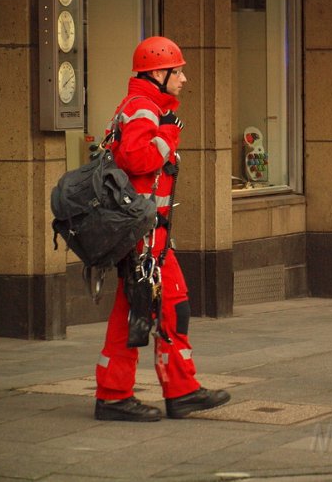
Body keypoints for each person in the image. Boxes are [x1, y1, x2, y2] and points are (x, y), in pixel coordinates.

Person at [94, 36, 231, 421]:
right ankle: (123, 395)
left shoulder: (146, 107)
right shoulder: (144, 110)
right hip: (142, 237)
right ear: (158, 72)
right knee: (155, 307)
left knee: (155, 309)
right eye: (179, 70)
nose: (184, 78)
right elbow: (137, 159)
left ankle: (161, 391)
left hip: (145, 234)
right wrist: (169, 135)